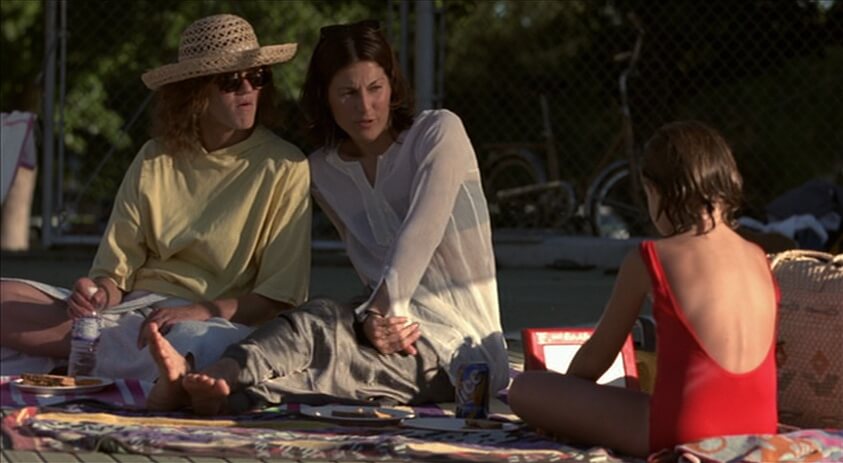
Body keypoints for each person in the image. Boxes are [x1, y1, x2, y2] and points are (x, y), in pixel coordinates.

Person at [144, 19, 509, 415]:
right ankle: (219, 378)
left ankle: (205, 388)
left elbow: (422, 231)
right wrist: (369, 321)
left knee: (337, 364)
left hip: (460, 351)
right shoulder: (323, 171)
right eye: (348, 93)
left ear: (392, 86)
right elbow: (368, 270)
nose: (365, 107)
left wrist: (379, 310)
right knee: (312, 319)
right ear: (326, 98)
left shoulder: (438, 132)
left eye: (375, 88)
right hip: (376, 323)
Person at [0, 14, 311, 380]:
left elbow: (276, 298)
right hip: (132, 310)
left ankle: (76, 354)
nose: (247, 89)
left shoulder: (285, 165)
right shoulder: (155, 156)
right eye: (230, 81)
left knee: (202, 346)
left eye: (258, 77)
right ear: (195, 92)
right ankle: (111, 357)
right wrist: (94, 295)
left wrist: (200, 311)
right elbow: (116, 274)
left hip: (211, 321)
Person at [508, 121, 779, 457]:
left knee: (526, 388)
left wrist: (564, 400)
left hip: (685, 430)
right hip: (759, 429)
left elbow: (595, 359)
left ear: (656, 190)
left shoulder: (651, 257)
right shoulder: (759, 257)